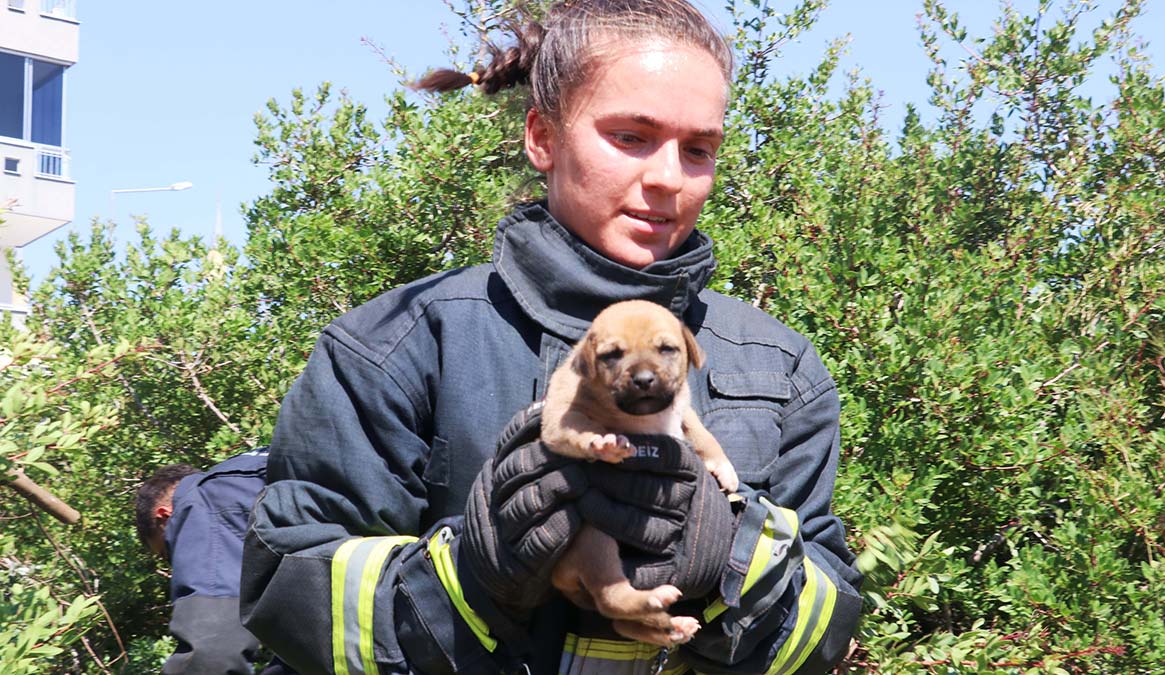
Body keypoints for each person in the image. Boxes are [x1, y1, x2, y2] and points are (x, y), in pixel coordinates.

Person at [241, 2, 862, 673]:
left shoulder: (779, 367)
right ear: (542, 137)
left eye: (699, 149)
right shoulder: (398, 346)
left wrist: (731, 558)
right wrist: (469, 572)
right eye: (630, 136)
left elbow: (827, 620)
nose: (667, 178)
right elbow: (287, 588)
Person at [136, 450, 289, 675]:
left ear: (165, 517)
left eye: (167, 552)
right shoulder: (259, 471)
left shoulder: (203, 501)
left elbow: (212, 652)